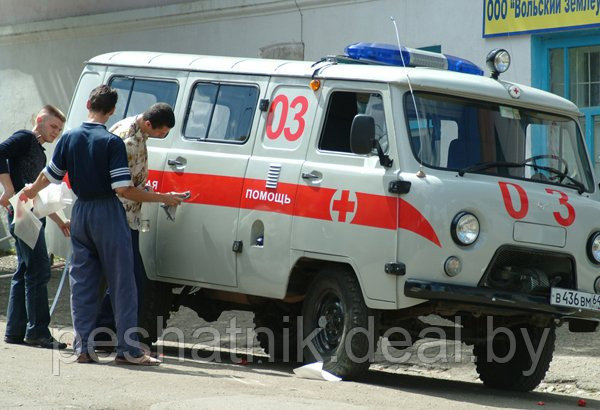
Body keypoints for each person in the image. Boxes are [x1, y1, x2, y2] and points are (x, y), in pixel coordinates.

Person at [23, 85, 182, 365]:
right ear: (111, 112)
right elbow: (124, 190)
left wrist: (30, 192)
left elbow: (50, 175)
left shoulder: (69, 137)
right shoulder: (112, 143)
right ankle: (128, 350)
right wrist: (164, 197)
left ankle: (83, 348)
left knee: (82, 281)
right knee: (122, 282)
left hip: (81, 210)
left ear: (88, 104)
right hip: (107, 212)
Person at [94, 103, 177, 344]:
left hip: (126, 216)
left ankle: (104, 333)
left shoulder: (133, 128)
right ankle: (105, 333)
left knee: (124, 278)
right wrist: (162, 198)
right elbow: (125, 190)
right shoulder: (129, 142)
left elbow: (132, 183)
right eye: (162, 131)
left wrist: (153, 192)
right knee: (130, 280)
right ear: (149, 124)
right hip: (120, 216)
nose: (164, 136)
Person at [0, 105, 70, 349]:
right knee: (39, 269)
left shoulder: (39, 152)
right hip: (21, 212)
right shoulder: (25, 138)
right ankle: (38, 332)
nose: (56, 133)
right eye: (52, 126)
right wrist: (8, 189)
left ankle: (15, 331)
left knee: (26, 269)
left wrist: (60, 221)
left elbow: (38, 195)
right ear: (39, 120)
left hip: (28, 212)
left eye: (59, 129)